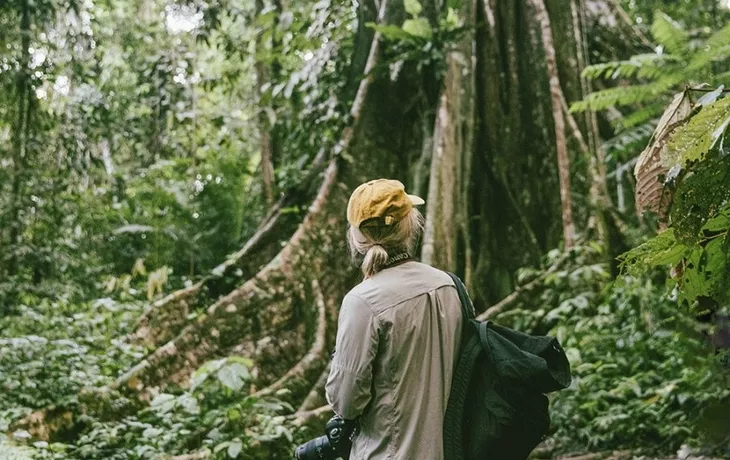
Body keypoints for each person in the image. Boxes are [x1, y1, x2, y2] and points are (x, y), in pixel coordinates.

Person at [325, 178, 463, 460]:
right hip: (452, 450)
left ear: (356, 236)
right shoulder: (450, 286)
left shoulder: (362, 301)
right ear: (409, 224)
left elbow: (347, 402)